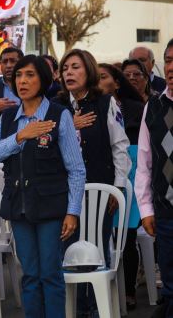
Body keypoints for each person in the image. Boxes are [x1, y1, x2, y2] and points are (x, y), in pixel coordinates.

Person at [0, 55, 86, 318]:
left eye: (30, 75)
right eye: (18, 75)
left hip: (51, 207)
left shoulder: (58, 114)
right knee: (29, 274)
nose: (22, 81)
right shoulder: (8, 118)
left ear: (43, 79)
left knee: (50, 274)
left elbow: (76, 169)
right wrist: (20, 136)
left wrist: (73, 212)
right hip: (19, 206)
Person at [53, 49, 131, 316]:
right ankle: (76, 310)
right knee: (70, 253)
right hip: (66, 194)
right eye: (65, 69)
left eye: (75, 67)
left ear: (88, 70)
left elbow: (120, 146)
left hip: (100, 189)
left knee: (97, 250)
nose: (69, 73)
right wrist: (68, 124)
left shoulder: (105, 102)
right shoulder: (57, 106)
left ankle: (98, 310)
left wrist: (117, 186)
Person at [98, 63, 145, 309]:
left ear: (116, 83)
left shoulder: (137, 109)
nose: (97, 80)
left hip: (132, 174)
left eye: (103, 77)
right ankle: (103, 289)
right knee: (102, 235)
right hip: (103, 174)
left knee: (126, 236)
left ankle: (128, 290)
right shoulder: (90, 108)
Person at [135, 38, 173, 317]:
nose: (171, 67)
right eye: (168, 60)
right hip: (165, 211)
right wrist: (146, 209)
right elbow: (145, 163)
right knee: (170, 286)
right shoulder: (154, 106)